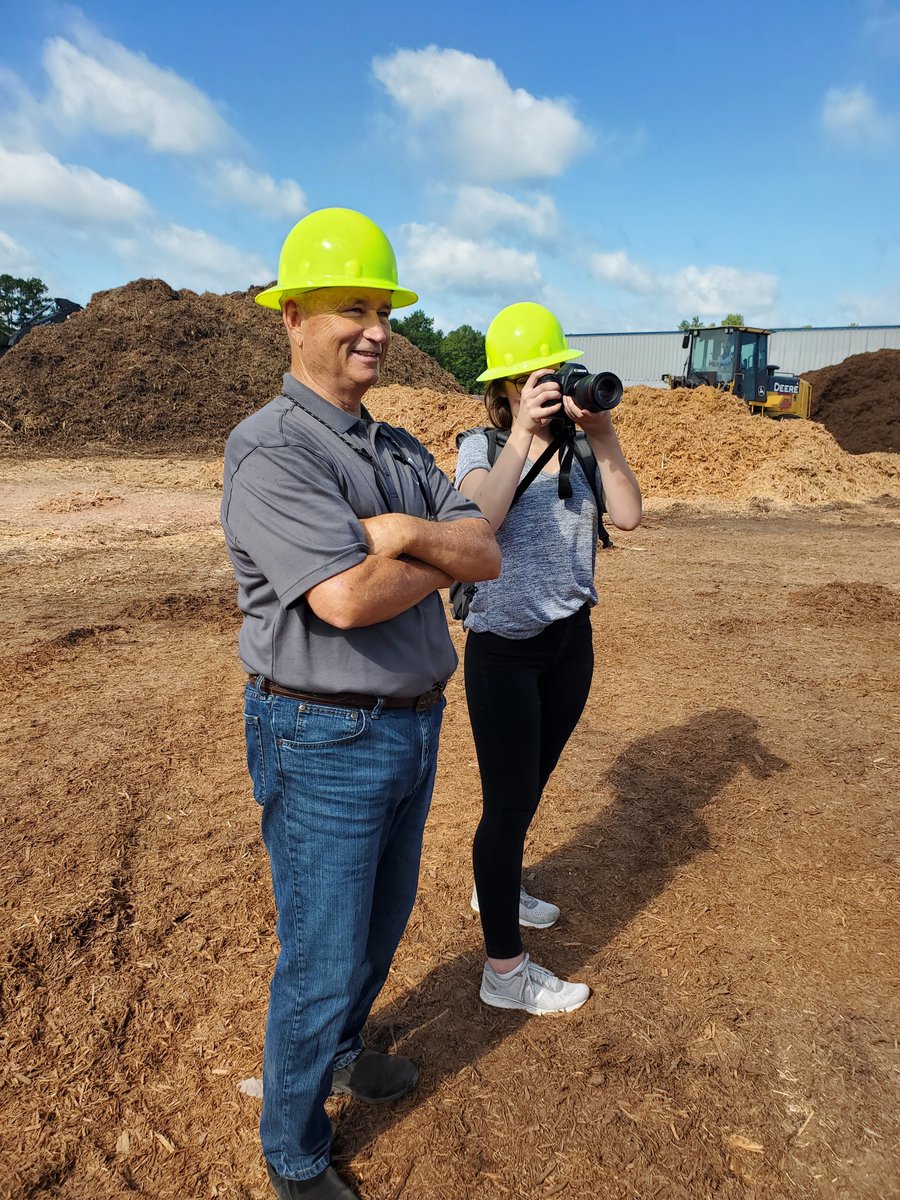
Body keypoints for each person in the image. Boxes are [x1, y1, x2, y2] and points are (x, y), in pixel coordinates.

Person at [221, 208, 501, 1200]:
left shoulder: (396, 446)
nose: (375, 331)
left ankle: (341, 1056)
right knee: (324, 955)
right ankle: (294, 1154)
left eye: (383, 311)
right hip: (323, 735)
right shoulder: (272, 450)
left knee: (377, 930)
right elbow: (343, 599)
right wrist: (429, 546)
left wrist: (402, 533)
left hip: (412, 724)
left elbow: (486, 548)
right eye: (352, 309)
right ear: (293, 317)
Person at [453, 302, 642, 1017]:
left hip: (570, 645)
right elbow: (477, 522)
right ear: (503, 389)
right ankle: (504, 973)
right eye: (532, 379)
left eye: (556, 375)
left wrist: (604, 433)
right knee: (505, 806)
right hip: (504, 653)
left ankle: (495, 886)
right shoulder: (480, 447)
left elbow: (628, 516)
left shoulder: (581, 448)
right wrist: (523, 438)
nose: (549, 390)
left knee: (529, 786)